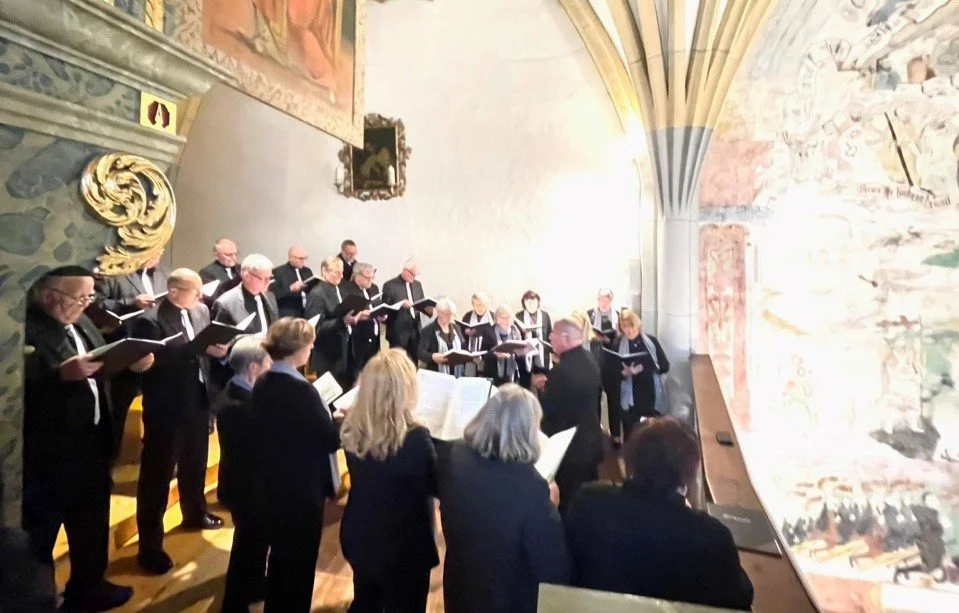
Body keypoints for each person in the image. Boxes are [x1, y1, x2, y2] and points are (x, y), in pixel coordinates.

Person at [23, 265, 153, 611]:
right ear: (49, 296)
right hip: (52, 451)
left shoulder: (83, 322)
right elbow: (16, 392)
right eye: (78, 297)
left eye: (89, 296)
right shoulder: (26, 330)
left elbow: (102, 362)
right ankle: (40, 600)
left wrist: (132, 364)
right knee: (41, 536)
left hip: (93, 442)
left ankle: (88, 588)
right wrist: (58, 377)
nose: (85, 304)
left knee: (92, 526)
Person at [565, 418, 754, 611]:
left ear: (629, 459)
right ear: (689, 472)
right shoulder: (712, 536)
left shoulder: (589, 501)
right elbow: (741, 598)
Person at [438, 384, 569, 613]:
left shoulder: (454, 455)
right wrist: (552, 505)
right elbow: (552, 566)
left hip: (460, 586)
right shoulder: (532, 486)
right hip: (505, 598)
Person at [130, 269, 227, 574]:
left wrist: (214, 349)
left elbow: (202, 349)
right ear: (173, 292)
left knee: (195, 462)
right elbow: (146, 364)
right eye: (194, 292)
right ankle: (150, 546)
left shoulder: (200, 311)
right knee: (157, 476)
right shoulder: (150, 320)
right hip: (166, 406)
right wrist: (183, 352)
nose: (200, 297)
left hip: (198, 398)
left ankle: (194, 512)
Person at [253, 317, 343, 612]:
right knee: (299, 564)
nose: (312, 348)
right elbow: (328, 439)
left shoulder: (265, 381)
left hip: (275, 482)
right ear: (297, 348)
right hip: (301, 489)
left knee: (281, 560)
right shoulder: (300, 390)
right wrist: (341, 420)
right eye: (310, 344)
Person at [340, 349, 439, 612]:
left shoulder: (352, 428)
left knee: (366, 599)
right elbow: (435, 485)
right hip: (404, 544)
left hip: (361, 533)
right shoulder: (417, 438)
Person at [215, 337, 272, 612]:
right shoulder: (239, 405)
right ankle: (234, 604)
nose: (271, 367)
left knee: (256, 544)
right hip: (246, 489)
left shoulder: (238, 390)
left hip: (248, 485)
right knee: (246, 548)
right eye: (268, 362)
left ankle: (255, 585)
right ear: (253, 368)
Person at [532, 318, 603, 515]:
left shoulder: (561, 371)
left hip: (570, 449)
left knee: (569, 504)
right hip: (591, 441)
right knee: (588, 501)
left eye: (553, 334)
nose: (550, 337)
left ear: (565, 338)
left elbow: (550, 414)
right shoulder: (590, 360)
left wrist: (543, 390)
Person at [603, 309, 669, 439]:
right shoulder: (617, 343)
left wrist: (642, 368)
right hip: (630, 399)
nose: (628, 330)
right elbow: (610, 372)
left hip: (650, 395)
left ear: (637, 325)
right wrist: (624, 373)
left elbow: (664, 366)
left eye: (631, 326)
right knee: (630, 436)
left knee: (651, 435)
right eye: (624, 326)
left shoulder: (651, 341)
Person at [305, 255, 369, 387]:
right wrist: (342, 321)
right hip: (328, 356)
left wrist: (357, 315)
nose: (341, 276)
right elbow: (314, 328)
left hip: (346, 352)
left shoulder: (339, 290)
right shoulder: (317, 294)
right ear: (324, 271)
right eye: (337, 272)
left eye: (342, 272)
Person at [381, 259, 427, 364]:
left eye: (416, 275)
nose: (414, 278)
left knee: (413, 363)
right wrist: (400, 304)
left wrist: (427, 307)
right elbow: (385, 308)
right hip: (398, 332)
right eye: (413, 275)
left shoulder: (417, 285)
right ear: (405, 271)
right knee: (397, 363)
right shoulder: (390, 285)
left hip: (415, 330)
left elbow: (421, 302)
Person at [342, 262, 383, 373]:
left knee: (373, 371)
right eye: (367, 278)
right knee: (357, 372)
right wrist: (360, 315)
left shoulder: (373, 288)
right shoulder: (346, 289)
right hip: (356, 338)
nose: (370, 281)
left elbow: (377, 306)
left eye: (372, 277)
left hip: (374, 335)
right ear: (357, 275)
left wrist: (381, 314)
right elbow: (345, 313)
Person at [419, 297, 470, 376]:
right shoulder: (428, 330)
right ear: (439, 313)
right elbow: (421, 353)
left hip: (458, 374)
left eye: (452, 314)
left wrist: (472, 356)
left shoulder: (456, 328)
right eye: (447, 314)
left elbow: (464, 348)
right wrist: (432, 356)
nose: (450, 317)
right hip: (437, 374)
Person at [482, 304, 526, 386]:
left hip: (511, 375)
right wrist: (495, 354)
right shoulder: (489, 332)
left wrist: (522, 351)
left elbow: (520, 355)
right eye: (504, 318)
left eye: (509, 317)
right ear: (497, 319)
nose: (507, 320)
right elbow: (483, 354)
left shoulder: (516, 332)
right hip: (493, 375)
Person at [516, 290, 552, 387]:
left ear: (538, 302)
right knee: (524, 386)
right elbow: (516, 338)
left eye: (533, 301)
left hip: (542, 357)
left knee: (543, 388)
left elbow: (549, 334)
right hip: (525, 358)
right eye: (528, 302)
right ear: (524, 303)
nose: (531, 304)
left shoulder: (545, 315)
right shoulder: (518, 316)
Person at [271, 246, 314, 318]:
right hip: (289, 312)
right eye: (300, 258)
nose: (303, 261)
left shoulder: (307, 271)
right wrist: (291, 289)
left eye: (305, 258)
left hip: (307, 311)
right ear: (290, 258)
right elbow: (273, 295)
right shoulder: (278, 272)